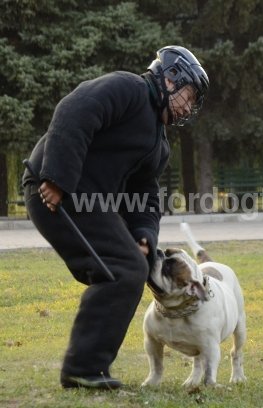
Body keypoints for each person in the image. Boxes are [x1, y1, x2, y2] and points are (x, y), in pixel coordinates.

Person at [22, 46, 209, 389]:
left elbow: (147, 195)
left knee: (130, 266)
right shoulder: (129, 88)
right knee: (122, 269)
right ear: (170, 79)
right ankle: (83, 370)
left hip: (89, 201)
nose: (188, 105)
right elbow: (75, 110)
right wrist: (57, 177)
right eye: (188, 94)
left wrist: (143, 235)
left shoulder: (158, 143)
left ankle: (88, 369)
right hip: (54, 188)